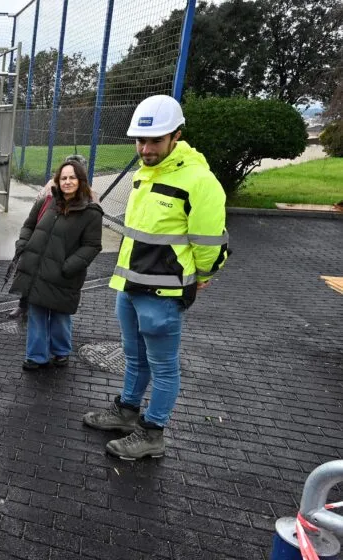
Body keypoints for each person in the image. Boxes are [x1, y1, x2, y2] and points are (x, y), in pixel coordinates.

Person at [82, 95, 229, 460]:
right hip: (130, 286)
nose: (145, 149)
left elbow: (209, 240)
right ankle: (127, 413)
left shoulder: (199, 180)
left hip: (163, 292)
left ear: (176, 136)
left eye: (154, 141)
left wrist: (203, 275)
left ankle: (153, 433)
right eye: (140, 141)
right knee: (134, 358)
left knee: (164, 366)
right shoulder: (146, 174)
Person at [11, 159, 103, 371]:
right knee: (37, 314)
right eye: (63, 178)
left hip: (64, 274)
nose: (67, 182)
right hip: (36, 269)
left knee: (60, 315)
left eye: (72, 177)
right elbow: (29, 225)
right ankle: (36, 356)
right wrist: (23, 244)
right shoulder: (48, 201)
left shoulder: (91, 212)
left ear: (81, 181)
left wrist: (69, 266)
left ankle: (61, 352)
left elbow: (92, 246)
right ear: (57, 180)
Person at [9, 154, 91, 320]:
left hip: (63, 248)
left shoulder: (88, 197)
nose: (68, 180)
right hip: (40, 237)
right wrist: (25, 242)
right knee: (28, 274)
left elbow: (90, 239)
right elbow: (33, 216)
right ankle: (23, 305)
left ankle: (40, 308)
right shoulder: (51, 188)